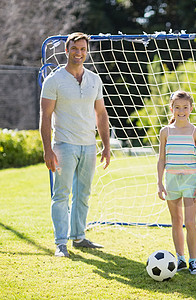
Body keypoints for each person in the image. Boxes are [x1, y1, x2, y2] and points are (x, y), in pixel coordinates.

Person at [40, 32, 111, 258]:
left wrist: (106, 146)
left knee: (83, 194)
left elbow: (101, 114)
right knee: (61, 195)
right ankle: (61, 243)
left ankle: (79, 237)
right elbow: (45, 118)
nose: (78, 53)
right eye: (74, 49)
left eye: (82, 49)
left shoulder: (94, 79)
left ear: (86, 52)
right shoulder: (54, 81)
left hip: (89, 146)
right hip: (63, 146)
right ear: (66, 50)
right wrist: (47, 150)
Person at [157, 91, 196, 275]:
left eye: (185, 107)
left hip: (190, 181)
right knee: (176, 221)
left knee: (190, 222)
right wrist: (159, 183)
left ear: (191, 108)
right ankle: (181, 259)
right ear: (172, 109)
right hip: (171, 180)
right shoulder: (165, 132)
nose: (181, 111)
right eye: (177, 107)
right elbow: (161, 159)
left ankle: (193, 261)